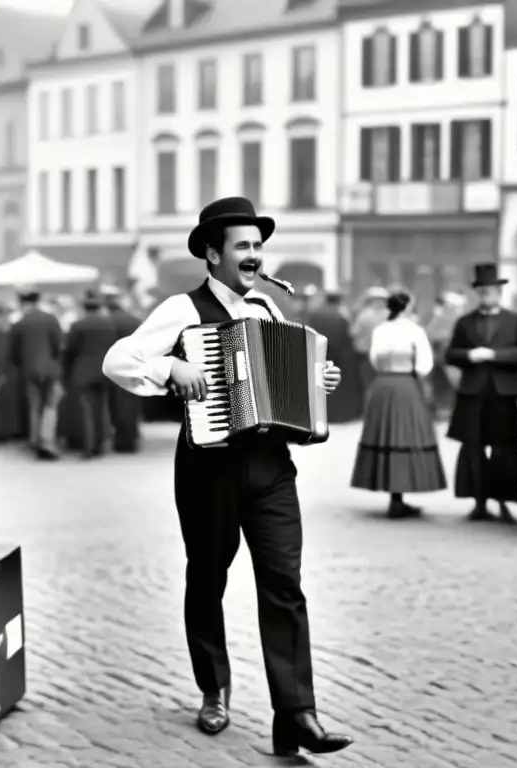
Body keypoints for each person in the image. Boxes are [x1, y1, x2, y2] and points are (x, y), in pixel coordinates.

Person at [102, 197, 352, 757]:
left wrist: (319, 381)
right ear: (213, 255)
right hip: (207, 469)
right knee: (207, 577)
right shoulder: (181, 310)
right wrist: (172, 368)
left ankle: (296, 715)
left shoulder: (266, 310)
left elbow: (288, 382)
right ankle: (213, 688)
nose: (254, 255)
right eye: (243, 246)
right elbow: (117, 360)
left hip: (270, 469)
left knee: (284, 586)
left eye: (258, 246)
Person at [445, 263, 517, 524]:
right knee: (473, 448)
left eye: (491, 290)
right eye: (482, 291)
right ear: (477, 293)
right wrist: (469, 355)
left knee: (504, 448)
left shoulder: (516, 321)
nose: (487, 295)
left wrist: (496, 355)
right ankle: (479, 503)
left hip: (504, 394)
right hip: (473, 394)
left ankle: (504, 503)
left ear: (500, 291)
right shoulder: (465, 322)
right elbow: (450, 354)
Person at [351, 289, 447, 517]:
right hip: (406, 385)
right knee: (405, 437)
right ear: (407, 307)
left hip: (383, 385)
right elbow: (425, 364)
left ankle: (395, 498)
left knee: (387, 439)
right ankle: (399, 497)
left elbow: (374, 359)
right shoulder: (414, 331)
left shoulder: (381, 330)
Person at [63, 289, 119, 458]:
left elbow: (70, 350)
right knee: (102, 408)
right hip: (104, 371)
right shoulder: (109, 324)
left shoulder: (77, 325)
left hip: (84, 372)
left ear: (84, 308)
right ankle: (102, 443)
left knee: (86, 410)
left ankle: (89, 446)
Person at [9, 288, 64, 459]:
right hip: (50, 369)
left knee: (35, 405)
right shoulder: (51, 319)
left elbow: (13, 352)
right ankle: (46, 441)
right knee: (50, 405)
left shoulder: (19, 324)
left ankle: (35, 441)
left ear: (22, 303)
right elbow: (58, 345)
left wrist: (21, 364)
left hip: (29, 370)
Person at [307, 289, 363, 423]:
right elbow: (348, 336)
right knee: (338, 389)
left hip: (318, 353)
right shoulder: (342, 316)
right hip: (340, 357)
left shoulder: (315, 314)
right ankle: (338, 416)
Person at [103, 286, 144, 453]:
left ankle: (118, 440)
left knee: (115, 405)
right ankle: (131, 440)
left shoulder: (106, 322)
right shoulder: (135, 320)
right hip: (133, 367)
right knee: (131, 405)